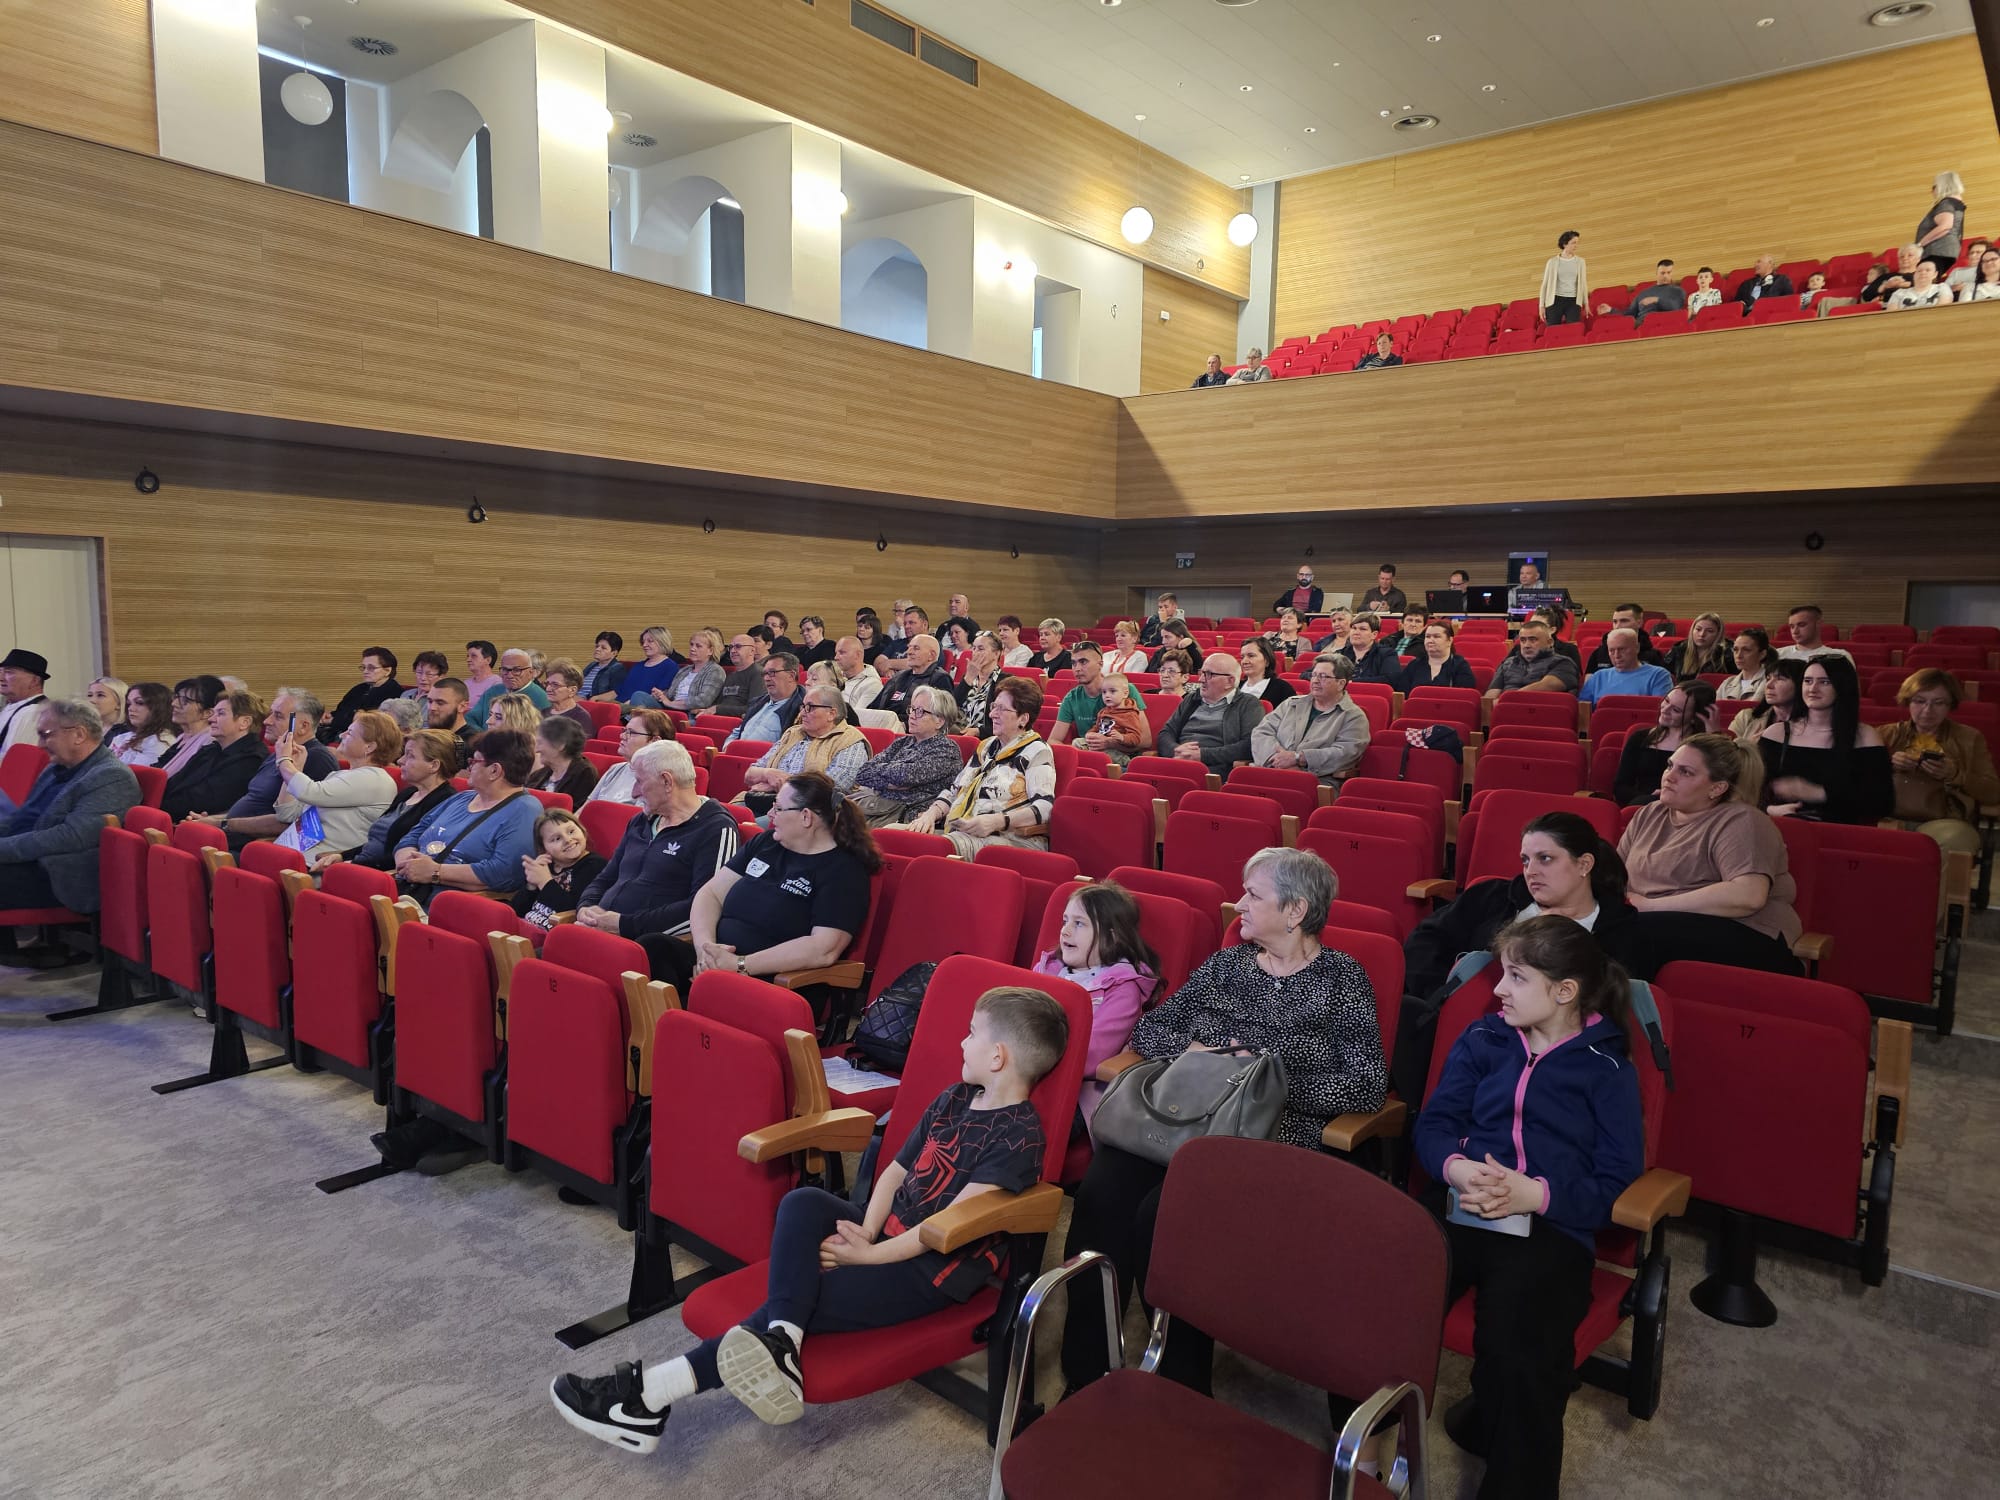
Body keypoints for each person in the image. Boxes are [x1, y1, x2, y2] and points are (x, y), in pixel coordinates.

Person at [551, 985, 1066, 1449]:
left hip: (929, 1271)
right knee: (802, 1203)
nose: (961, 1042)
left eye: (971, 1033)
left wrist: (866, 1257)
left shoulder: (1018, 1139)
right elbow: (895, 1172)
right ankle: (784, 1342)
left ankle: (648, 1396)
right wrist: (865, 1230)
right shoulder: (955, 1098)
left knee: (801, 1296)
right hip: (886, 1233)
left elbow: (945, 1229)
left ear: (997, 1056)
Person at [1060, 846, 1386, 1395]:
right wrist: (1203, 1055)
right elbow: (1152, 1030)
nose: (1239, 904)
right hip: (1181, 1118)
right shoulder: (1227, 964)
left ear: (1296, 910)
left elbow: (1366, 1082)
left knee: (1164, 1216)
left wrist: (1265, 1083)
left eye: (1254, 895)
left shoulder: (1342, 979)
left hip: (1267, 1136)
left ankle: (1180, 1384)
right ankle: (1087, 1371)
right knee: (1100, 1195)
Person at [1415, 915, 1644, 1500]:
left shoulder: (1608, 1069)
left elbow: (1614, 1182)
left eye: (1516, 977)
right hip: (1463, 1201)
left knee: (1523, 1351)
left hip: (1551, 1224)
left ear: (1565, 991)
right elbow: (1435, 1125)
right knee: (1377, 1291)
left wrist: (1534, 1193)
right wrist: (1458, 1167)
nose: (1498, 988)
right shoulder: (1484, 1039)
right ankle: (1362, 1454)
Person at [657, 771, 880, 995]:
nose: (771, 814)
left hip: (772, 979)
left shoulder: (844, 871)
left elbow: (823, 949)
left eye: (779, 808)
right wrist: (706, 951)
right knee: (655, 948)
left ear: (806, 817)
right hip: (718, 963)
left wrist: (739, 965)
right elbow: (710, 894)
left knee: (687, 992)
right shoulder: (765, 843)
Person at [1614, 733, 1802, 977]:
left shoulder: (1742, 820)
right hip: (1657, 925)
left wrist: (1649, 906)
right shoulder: (1648, 814)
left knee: (1629, 933)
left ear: (1717, 788)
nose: (1669, 776)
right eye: (1670, 765)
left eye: (1686, 772)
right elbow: (1613, 877)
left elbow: (1749, 895)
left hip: (1747, 934)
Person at [1404, 813, 1635, 1001]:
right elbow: (1425, 941)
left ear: (1584, 864)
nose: (1530, 871)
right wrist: (1443, 998)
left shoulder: (1621, 931)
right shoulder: (1491, 896)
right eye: (1525, 860)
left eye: (1545, 858)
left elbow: (1611, 1003)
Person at [575, 740, 741, 969]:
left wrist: (624, 925)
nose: (634, 792)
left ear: (666, 781)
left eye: (639, 781)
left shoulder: (715, 829)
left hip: (644, 949)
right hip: (599, 932)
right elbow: (606, 876)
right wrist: (587, 907)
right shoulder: (641, 820)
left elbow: (704, 909)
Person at [1032, 882, 1159, 1125]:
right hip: (1026, 1072)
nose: (1065, 931)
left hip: (1076, 1094)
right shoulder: (1047, 969)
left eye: (1079, 923)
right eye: (1065, 920)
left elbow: (1091, 1056)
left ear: (1112, 937)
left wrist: (1027, 1057)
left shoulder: (1123, 990)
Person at [902, 678, 1055, 859]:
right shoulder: (986, 746)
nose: (992, 714)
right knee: (895, 835)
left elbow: (1045, 807)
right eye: (994, 706)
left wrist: (997, 821)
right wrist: (930, 815)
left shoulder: (1037, 751)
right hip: (963, 832)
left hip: (1011, 839)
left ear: (1023, 719)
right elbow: (954, 791)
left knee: (936, 847)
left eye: (1002, 709)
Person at [393, 728, 542, 902]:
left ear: (494, 771)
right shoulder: (463, 797)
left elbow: (503, 873)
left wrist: (435, 872)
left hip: (455, 903)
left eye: (474, 761)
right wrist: (408, 865)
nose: (468, 767)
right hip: (411, 888)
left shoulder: (525, 810)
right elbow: (412, 835)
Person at [1757, 655, 1893, 824]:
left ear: (1842, 686)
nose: (1813, 689)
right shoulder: (1775, 734)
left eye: (1824, 682)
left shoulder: (1866, 737)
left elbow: (1882, 802)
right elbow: (1749, 790)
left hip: (1842, 830)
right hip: (1781, 826)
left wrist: (1819, 793)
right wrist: (1769, 810)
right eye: (1807, 681)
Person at [1881, 669, 2000, 857]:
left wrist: (1955, 774)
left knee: (1956, 840)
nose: (1928, 710)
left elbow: (1993, 793)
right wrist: (1888, 765)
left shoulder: (1970, 738)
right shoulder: (1884, 734)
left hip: (1945, 822)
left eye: (1939, 703)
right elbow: (1854, 780)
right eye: (1919, 701)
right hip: (1887, 816)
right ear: (1907, 701)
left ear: (1950, 705)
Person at [271, 709, 400, 864]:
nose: (341, 735)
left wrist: (284, 760)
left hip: (320, 864)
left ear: (369, 747)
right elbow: (287, 814)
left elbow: (309, 792)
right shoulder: (338, 775)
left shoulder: (376, 779)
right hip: (294, 854)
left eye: (349, 733)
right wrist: (294, 766)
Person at [737, 684, 870, 819]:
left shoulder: (851, 742)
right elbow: (750, 774)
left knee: (743, 825)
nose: (802, 713)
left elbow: (829, 789)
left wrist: (779, 784)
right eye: (803, 706)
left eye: (810, 707)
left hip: (807, 814)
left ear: (831, 714)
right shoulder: (792, 733)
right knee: (729, 816)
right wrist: (769, 773)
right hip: (759, 801)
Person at [849, 686, 963, 827]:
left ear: (939, 721)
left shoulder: (947, 750)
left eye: (920, 711)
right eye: (912, 709)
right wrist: (892, 782)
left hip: (906, 817)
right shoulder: (902, 742)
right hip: (876, 807)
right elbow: (863, 773)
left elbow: (905, 776)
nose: (912, 716)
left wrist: (885, 777)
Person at [351, 729, 462, 871]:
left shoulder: (444, 802)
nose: (400, 761)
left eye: (410, 756)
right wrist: (342, 856)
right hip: (363, 863)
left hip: (388, 871)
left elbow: (413, 853)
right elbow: (376, 842)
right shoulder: (408, 793)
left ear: (434, 765)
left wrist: (354, 863)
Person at [1250, 654, 1369, 785]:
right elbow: (1261, 732)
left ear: (1341, 683)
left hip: (1319, 780)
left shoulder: (1353, 716)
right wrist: (1277, 760)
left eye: (1323, 676)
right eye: (1313, 675)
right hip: (1273, 768)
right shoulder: (1291, 704)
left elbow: (1345, 753)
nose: (1315, 681)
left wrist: (1299, 758)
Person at [162, 689, 269, 821]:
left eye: (221, 713)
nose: (211, 719)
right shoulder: (211, 749)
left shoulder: (251, 759)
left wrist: (156, 807)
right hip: (175, 814)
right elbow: (174, 783)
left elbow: (203, 800)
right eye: (213, 713)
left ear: (245, 722)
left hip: (197, 822)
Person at [1615, 680, 1718, 807]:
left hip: (1688, 807)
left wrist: (1714, 738)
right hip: (1642, 806)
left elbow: (1716, 786)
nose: (1665, 710)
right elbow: (1621, 788)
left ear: (1694, 718)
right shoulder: (1640, 738)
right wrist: (1650, 798)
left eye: (1676, 710)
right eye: (1667, 701)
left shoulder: (1703, 747)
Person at [1157, 654, 1262, 776]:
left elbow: (1249, 745)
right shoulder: (1192, 699)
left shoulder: (1248, 704)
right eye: (1202, 673)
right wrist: (1176, 750)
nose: (1201, 679)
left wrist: (1202, 755)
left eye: (1209, 674)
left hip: (1214, 768)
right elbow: (1166, 732)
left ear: (1230, 681)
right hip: (1177, 760)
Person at [510, 809, 608, 933]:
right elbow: (516, 910)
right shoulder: (546, 865)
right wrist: (531, 885)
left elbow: (574, 910)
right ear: (544, 848)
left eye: (571, 831)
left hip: (556, 935)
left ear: (582, 830)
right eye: (556, 839)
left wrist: (545, 882)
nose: (567, 840)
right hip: (524, 929)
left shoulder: (594, 865)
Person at [585, 710, 676, 807]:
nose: (622, 736)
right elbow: (584, 810)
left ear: (655, 741)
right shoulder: (615, 769)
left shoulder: (660, 782)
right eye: (624, 731)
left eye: (631, 733)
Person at [320, 647, 403, 742]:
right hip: (339, 733)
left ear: (387, 671)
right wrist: (330, 716)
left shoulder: (394, 693)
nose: (365, 671)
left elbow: (368, 722)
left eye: (371, 668)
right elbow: (342, 710)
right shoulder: (360, 688)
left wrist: (335, 720)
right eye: (363, 667)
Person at [871, 637, 954, 727]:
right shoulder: (898, 676)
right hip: (883, 723)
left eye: (916, 648)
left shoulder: (940, 678)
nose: (908, 652)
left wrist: (904, 725)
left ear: (931, 656)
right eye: (909, 647)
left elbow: (940, 718)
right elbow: (874, 707)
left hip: (909, 728)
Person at [1488, 620, 1579, 699]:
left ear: (1550, 642)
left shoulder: (1564, 663)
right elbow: (1491, 696)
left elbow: (1548, 686)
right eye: (1523, 640)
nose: (1526, 645)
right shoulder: (1507, 663)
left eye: (1533, 640)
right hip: (1505, 709)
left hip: (1542, 710)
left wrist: (1506, 700)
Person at [1578, 629, 1673, 705]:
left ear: (1637, 648)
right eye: (1611, 650)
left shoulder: (1658, 675)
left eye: (1622, 649)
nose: (1616, 655)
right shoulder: (1598, 677)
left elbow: (1662, 711)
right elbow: (1583, 710)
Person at [1727, 658, 1806, 748]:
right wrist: (1750, 747)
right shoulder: (1746, 717)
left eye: (1780, 679)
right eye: (1768, 679)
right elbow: (1726, 753)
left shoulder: (1812, 724)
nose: (1769, 685)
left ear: (1800, 685)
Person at [729, 653, 805, 745]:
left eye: (772, 673)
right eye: (764, 673)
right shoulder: (757, 703)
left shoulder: (802, 711)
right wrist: (728, 747)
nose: (766, 678)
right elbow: (737, 732)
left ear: (791, 676)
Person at [466, 648, 549, 730]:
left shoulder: (541, 698)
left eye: (517, 670)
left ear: (531, 672)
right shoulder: (493, 691)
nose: (509, 675)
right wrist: (483, 735)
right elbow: (470, 719)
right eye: (505, 670)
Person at [1081, 674, 1152, 768]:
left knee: (1103, 756)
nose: (1107, 695)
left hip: (1120, 751)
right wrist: (1090, 734)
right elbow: (1097, 727)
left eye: (1112, 691)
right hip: (1101, 745)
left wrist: (1121, 737)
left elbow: (1135, 738)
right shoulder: (1103, 711)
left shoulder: (1130, 714)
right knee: (1077, 742)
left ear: (1125, 693)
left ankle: (1125, 763)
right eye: (1104, 692)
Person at [527, 716, 599, 805]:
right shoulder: (540, 773)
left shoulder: (585, 774)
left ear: (561, 745)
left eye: (540, 743)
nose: (536, 750)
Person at [1049, 642, 1109, 745]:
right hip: (1086, 749)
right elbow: (1053, 740)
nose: (1077, 668)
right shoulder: (1071, 698)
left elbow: (1140, 740)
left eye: (1083, 662)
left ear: (1100, 664)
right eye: (1074, 663)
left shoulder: (1123, 690)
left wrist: (1110, 743)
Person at [108, 682, 177, 767]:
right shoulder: (121, 737)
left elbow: (137, 773)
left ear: (159, 707)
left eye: (140, 703)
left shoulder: (162, 740)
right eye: (129, 704)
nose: (131, 708)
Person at [1597, 259, 1688, 322]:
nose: (1665, 276)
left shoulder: (1678, 291)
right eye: (1662, 273)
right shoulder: (1643, 293)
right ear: (1656, 273)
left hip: (1664, 323)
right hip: (1642, 324)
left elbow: (1675, 307)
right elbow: (1629, 314)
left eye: (1669, 272)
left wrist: (1656, 300)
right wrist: (1611, 310)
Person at [612, 627, 680, 712]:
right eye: (643, 642)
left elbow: (658, 695)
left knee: (638, 696)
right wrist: (598, 699)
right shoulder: (638, 666)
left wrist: (624, 706)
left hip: (648, 709)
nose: (644, 645)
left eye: (650, 641)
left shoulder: (670, 666)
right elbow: (619, 691)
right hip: (622, 705)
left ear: (662, 642)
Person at [1915, 169, 1967, 280]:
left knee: (1925, 278)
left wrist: (1919, 244)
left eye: (1934, 187)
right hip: (1947, 250)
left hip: (1937, 250)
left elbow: (1945, 227)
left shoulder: (1946, 203)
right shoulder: (1956, 203)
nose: (1932, 191)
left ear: (1942, 186)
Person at [1401, 619, 1479, 692]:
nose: (1430, 640)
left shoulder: (1460, 666)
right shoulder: (1414, 665)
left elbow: (1464, 696)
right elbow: (1402, 694)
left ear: (1450, 640)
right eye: (1427, 636)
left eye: (1436, 636)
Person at [1583, 604, 1664, 672]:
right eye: (1615, 622)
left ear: (1639, 623)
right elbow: (1590, 683)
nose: (1617, 626)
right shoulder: (1598, 653)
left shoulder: (1653, 655)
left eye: (1624, 621)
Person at [0, 649, 51, 752]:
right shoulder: (13, 707)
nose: (1, 678)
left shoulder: (34, 712)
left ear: (34, 681)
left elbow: (19, 757)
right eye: (0, 672)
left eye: (9, 672)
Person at [1336, 613, 1402, 685]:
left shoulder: (1386, 654)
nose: (1356, 632)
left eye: (1362, 629)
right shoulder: (1339, 654)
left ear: (1374, 634)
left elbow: (1391, 679)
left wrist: (1353, 682)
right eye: (1354, 628)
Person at [1539, 230, 1589, 326]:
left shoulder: (1581, 262)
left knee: (1573, 329)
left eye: (1577, 243)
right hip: (1555, 300)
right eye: (1573, 243)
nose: (1576, 245)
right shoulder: (1552, 262)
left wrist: (1586, 304)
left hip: (1573, 301)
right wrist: (1541, 306)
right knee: (1553, 330)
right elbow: (1544, 285)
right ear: (1565, 244)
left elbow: (1583, 284)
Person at [1777, 604, 1852, 664]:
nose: (1795, 631)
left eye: (1801, 625)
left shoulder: (1840, 656)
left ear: (1818, 624)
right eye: (1792, 626)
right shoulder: (1777, 654)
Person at [1662, 613, 1730, 679]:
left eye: (1709, 631)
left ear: (1718, 634)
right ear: (1692, 630)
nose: (1702, 634)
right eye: (1698, 629)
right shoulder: (1679, 649)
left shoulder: (1727, 655)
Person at [834, 635, 885, 720]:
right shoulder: (834, 677)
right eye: (836, 653)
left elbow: (857, 719)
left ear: (857, 655)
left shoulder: (872, 685)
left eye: (842, 653)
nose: (836, 657)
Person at [1716, 628, 1775, 702]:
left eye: (1746, 650)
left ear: (1762, 654)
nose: (1738, 656)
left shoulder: (1771, 681)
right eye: (1735, 649)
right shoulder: (1727, 683)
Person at [1236, 636, 1295, 709]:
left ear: (1267, 660)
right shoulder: (1235, 686)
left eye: (1251, 656)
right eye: (1242, 657)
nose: (1244, 661)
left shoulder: (1283, 689)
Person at [539, 659, 594, 734]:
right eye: (547, 684)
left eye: (555, 685)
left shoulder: (581, 718)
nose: (548, 688)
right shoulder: (542, 713)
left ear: (572, 690)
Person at [426, 678, 476, 750]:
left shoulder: (472, 743)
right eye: (430, 701)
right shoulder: (424, 738)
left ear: (462, 707)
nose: (432, 708)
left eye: (440, 703)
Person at [1885, 259, 1952, 309]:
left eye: (1928, 270)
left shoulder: (1942, 288)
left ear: (1935, 274)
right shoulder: (1898, 293)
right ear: (1914, 275)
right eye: (1919, 271)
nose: (1923, 273)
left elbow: (1942, 310)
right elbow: (1891, 315)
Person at [580, 632, 628, 702]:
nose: (597, 649)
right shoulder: (592, 665)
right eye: (597, 646)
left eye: (603, 648)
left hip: (592, 702)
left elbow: (617, 693)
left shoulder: (618, 669)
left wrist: (594, 698)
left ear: (614, 653)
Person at [461, 640, 504, 710]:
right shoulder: (465, 684)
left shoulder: (498, 684)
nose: (468, 660)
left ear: (488, 660)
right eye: (468, 656)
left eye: (473, 656)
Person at [85, 676, 128, 742]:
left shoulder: (127, 733)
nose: (92, 700)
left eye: (100, 695)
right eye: (90, 695)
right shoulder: (83, 728)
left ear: (119, 703)